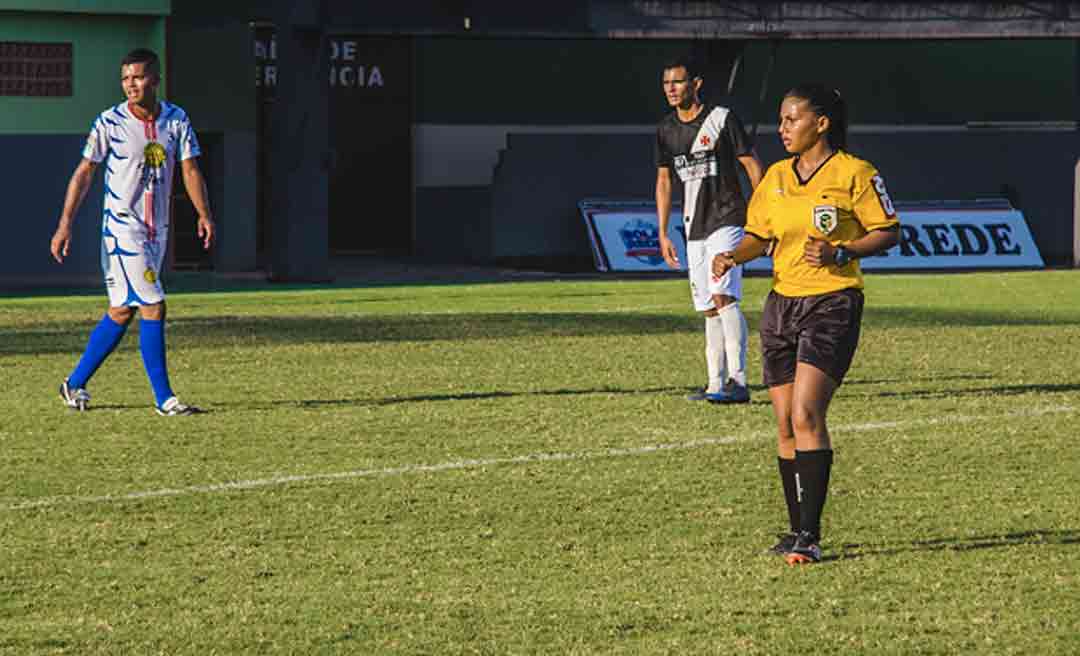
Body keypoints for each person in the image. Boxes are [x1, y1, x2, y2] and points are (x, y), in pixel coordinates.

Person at [712, 83, 900, 564]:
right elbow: (760, 236)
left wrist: (842, 251)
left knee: (806, 415)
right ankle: (796, 530)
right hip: (782, 305)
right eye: (780, 120)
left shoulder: (855, 173)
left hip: (832, 303)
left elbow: (888, 231)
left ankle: (810, 538)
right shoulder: (775, 177)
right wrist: (733, 255)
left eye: (791, 119)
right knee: (784, 424)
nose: (783, 128)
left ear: (821, 123)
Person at [49, 48, 214, 416]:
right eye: (125, 78)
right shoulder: (109, 122)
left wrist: (204, 213)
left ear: (155, 79)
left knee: (122, 311)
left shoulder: (176, 119)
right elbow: (84, 173)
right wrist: (65, 224)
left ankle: (73, 383)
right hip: (121, 229)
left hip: (157, 230)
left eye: (138, 77)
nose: (130, 84)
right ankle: (165, 399)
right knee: (154, 305)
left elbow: (190, 170)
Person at [654, 57, 764, 404]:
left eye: (678, 81)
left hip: (727, 218)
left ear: (696, 84)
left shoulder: (722, 119)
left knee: (723, 296)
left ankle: (739, 381)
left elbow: (752, 165)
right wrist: (662, 232)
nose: (671, 89)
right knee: (707, 308)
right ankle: (715, 384)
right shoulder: (666, 130)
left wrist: (762, 214)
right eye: (666, 83)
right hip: (693, 226)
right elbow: (664, 180)